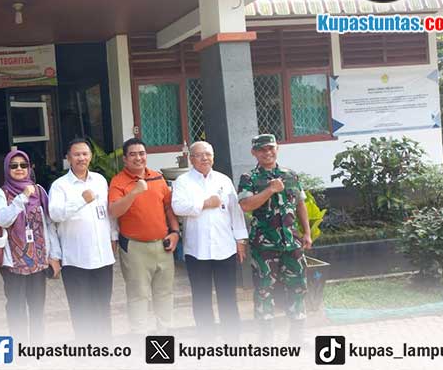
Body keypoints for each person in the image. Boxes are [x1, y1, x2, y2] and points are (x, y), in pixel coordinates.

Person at [237, 134, 312, 340]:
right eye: (262, 150)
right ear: (254, 153)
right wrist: (270, 189)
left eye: (270, 148)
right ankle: (266, 340)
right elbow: (245, 205)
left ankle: (297, 338)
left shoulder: (290, 175)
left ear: (277, 149)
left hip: (292, 242)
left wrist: (306, 232)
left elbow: (300, 204)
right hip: (264, 245)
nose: (267, 153)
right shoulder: (249, 178)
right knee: (264, 289)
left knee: (298, 286)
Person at [171, 141, 247, 341]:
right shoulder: (182, 181)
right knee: (201, 298)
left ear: (213, 157)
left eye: (208, 154)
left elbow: (235, 212)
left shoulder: (224, 180)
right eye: (199, 154)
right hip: (197, 250)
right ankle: (207, 342)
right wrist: (204, 204)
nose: (204, 158)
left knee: (228, 297)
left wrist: (240, 240)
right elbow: (178, 207)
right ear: (191, 158)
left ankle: (233, 341)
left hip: (225, 248)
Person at [48, 138, 117, 341]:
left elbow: (108, 214)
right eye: (76, 154)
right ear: (68, 158)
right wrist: (81, 200)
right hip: (75, 259)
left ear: (91, 156)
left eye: (85, 154)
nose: (81, 158)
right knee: (81, 310)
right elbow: (55, 214)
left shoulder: (100, 180)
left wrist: (113, 237)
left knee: (103, 308)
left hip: (102, 258)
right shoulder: (60, 186)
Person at [108, 137, 179, 334]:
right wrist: (134, 192)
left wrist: (175, 232)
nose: (138, 158)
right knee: (138, 295)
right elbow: (114, 211)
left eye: (141, 153)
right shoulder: (118, 182)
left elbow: (168, 207)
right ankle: (139, 339)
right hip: (135, 248)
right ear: (125, 159)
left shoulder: (157, 177)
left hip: (163, 245)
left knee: (165, 293)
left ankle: (163, 338)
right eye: (133, 154)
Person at [0, 150, 61, 343]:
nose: (19, 169)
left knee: (37, 309)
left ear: (30, 168)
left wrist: (54, 255)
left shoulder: (39, 191)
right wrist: (21, 198)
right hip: (13, 264)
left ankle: (36, 347)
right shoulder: (1, 193)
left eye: (24, 165)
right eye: (13, 166)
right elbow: (2, 219)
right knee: (16, 309)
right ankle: (19, 347)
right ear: (7, 169)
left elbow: (49, 224)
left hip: (38, 262)